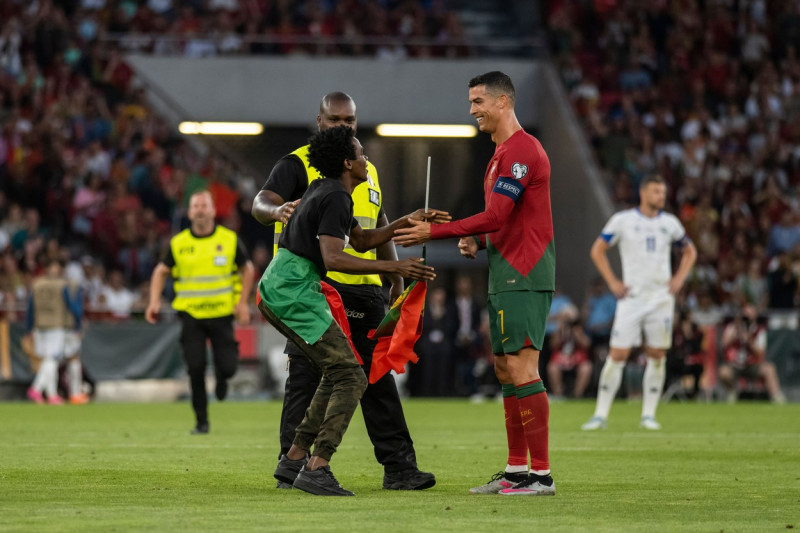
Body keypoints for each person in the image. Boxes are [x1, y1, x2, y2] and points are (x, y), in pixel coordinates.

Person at [252, 92, 437, 491]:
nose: (364, 151)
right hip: (299, 289)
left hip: (296, 287)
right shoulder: (324, 185)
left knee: (341, 374)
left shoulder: (334, 188)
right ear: (346, 160)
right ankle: (315, 468)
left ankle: (295, 462)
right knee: (347, 375)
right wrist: (395, 266)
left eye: (350, 123)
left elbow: (366, 237)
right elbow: (334, 258)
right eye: (360, 150)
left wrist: (407, 221)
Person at [395, 71, 557, 496]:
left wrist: (437, 233)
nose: (472, 111)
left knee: (523, 367)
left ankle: (541, 475)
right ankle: (516, 470)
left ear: (503, 102)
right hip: (505, 271)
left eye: (478, 102)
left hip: (525, 272)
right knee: (505, 369)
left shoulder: (522, 151)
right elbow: (506, 222)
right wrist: (479, 240)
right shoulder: (501, 154)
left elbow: (499, 215)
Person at [581, 174, 697, 431]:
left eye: (663, 192)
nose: (661, 196)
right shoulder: (623, 220)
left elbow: (690, 251)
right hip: (631, 299)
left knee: (657, 354)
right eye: (656, 191)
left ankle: (648, 415)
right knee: (618, 354)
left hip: (660, 300)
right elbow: (597, 250)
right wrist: (612, 282)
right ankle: (600, 415)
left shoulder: (670, 223)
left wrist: (678, 279)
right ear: (643, 193)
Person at [145, 190, 255, 435]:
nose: (200, 209)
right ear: (189, 211)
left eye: (205, 205)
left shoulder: (229, 239)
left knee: (227, 367)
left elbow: (247, 268)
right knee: (195, 368)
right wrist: (153, 302)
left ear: (214, 211)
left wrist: (242, 303)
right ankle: (201, 422)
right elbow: (160, 271)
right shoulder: (179, 243)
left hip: (221, 313)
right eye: (196, 206)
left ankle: (222, 377)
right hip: (191, 316)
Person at [26, 261, 87, 405]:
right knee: (52, 359)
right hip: (56, 325)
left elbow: (30, 307)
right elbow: (72, 306)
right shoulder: (62, 285)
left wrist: (29, 328)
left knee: (49, 359)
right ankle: (39, 390)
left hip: (40, 325)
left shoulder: (37, 284)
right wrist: (78, 323)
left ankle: (47, 393)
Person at [718, 304, 786, 404]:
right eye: (745, 314)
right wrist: (736, 328)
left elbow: (761, 351)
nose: (747, 317)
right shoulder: (733, 327)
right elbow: (723, 344)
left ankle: (776, 396)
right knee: (723, 372)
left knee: (769, 369)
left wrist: (749, 340)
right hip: (735, 364)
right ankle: (732, 393)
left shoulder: (759, 330)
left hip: (752, 364)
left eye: (750, 315)